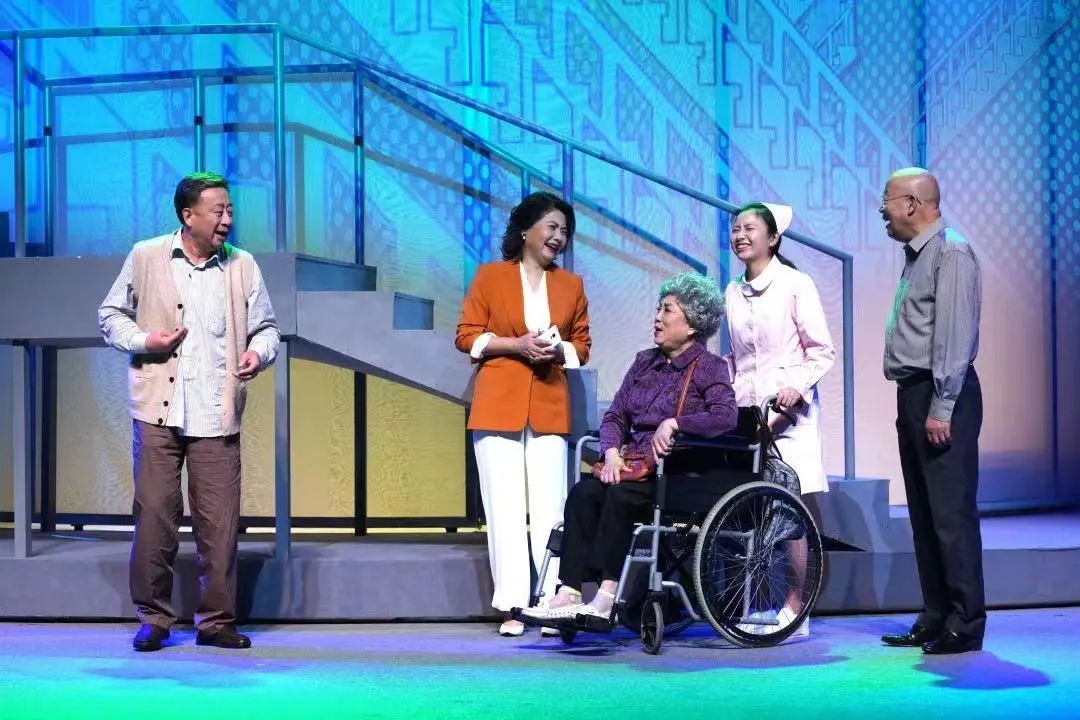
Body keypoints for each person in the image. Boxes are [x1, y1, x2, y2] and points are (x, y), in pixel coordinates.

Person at [99, 172, 280, 652]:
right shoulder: (146, 255)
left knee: (219, 525)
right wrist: (146, 340)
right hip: (157, 413)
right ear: (188, 215)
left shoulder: (243, 265)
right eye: (218, 210)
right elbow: (110, 315)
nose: (227, 219)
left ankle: (216, 622)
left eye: (230, 210)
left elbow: (267, 329)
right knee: (154, 518)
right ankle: (154, 618)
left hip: (216, 415)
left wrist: (258, 353)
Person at [522, 271, 737, 621]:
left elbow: (725, 416)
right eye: (658, 308)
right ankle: (569, 591)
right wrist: (610, 453)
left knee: (621, 497)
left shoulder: (709, 367)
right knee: (585, 493)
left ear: (692, 325)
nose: (657, 317)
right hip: (632, 464)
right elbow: (616, 416)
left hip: (677, 472)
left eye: (667, 310)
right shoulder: (644, 362)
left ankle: (608, 593)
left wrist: (676, 423)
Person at [455, 191, 591, 636]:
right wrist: (515, 345)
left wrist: (557, 348)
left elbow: (582, 347)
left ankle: (552, 601)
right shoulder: (491, 277)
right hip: (498, 403)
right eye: (552, 227)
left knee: (552, 507)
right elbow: (467, 336)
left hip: (549, 402)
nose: (558, 237)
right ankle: (513, 604)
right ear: (526, 230)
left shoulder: (572, 285)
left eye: (564, 231)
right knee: (505, 507)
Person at [878, 167, 985, 655]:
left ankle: (965, 621)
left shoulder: (951, 252)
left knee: (950, 515)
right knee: (924, 515)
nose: (882, 210)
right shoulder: (917, 255)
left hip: (943, 395)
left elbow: (954, 338)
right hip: (915, 393)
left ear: (912, 204)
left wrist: (941, 405)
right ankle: (936, 614)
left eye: (887, 200)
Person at [725, 202, 835, 637]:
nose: (740, 235)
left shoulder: (795, 283)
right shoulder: (732, 291)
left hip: (790, 411)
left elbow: (821, 351)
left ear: (772, 239)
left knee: (790, 509)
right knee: (752, 507)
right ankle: (752, 604)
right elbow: (737, 356)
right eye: (736, 228)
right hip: (748, 412)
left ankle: (795, 606)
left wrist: (796, 387)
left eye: (750, 228)